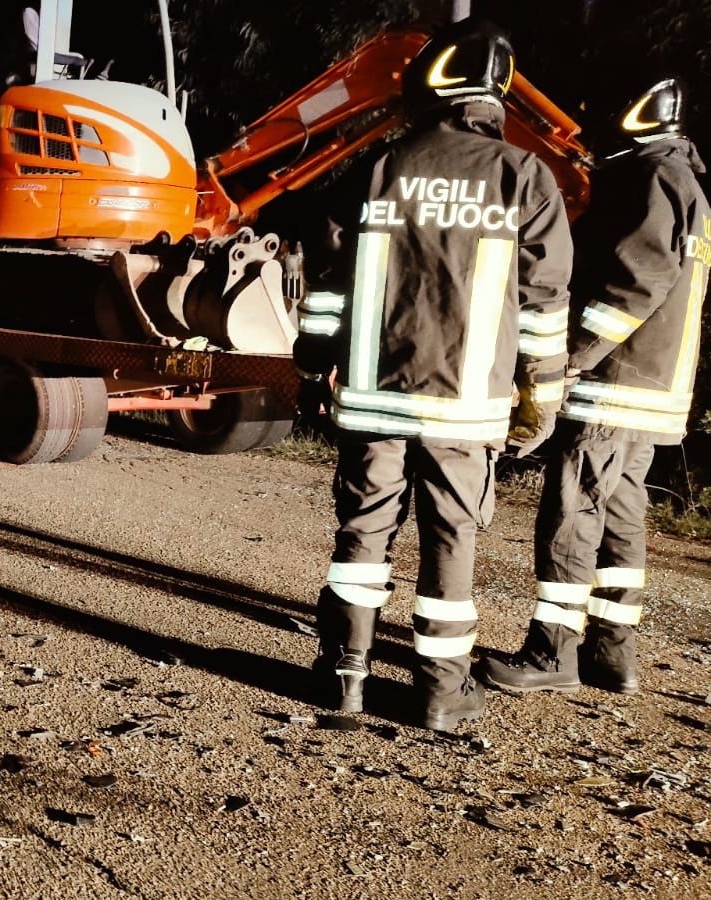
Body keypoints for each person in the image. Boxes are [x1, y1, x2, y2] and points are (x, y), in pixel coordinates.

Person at [294, 19, 573, 731]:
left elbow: (327, 278)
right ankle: (441, 694)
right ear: (497, 95)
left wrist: (312, 361)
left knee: (363, 533)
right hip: (466, 402)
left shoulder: (380, 168)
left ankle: (343, 675)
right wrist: (538, 393)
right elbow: (545, 304)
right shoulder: (524, 177)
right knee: (451, 540)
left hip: (373, 394)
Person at [481, 77, 708, 696]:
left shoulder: (654, 180)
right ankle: (612, 652)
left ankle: (553, 652)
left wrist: (574, 354)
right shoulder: (688, 186)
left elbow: (638, 282)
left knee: (573, 511)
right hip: (653, 389)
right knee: (621, 516)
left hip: (613, 385)